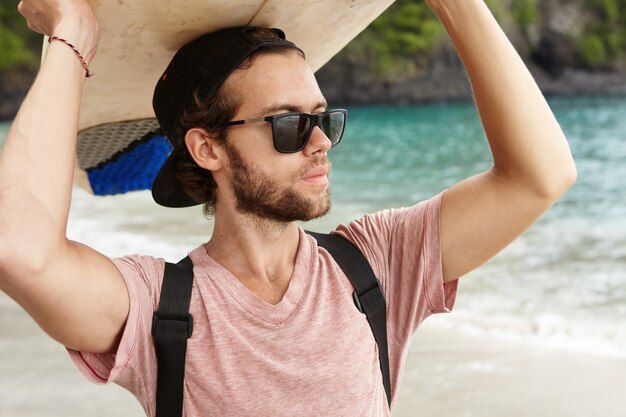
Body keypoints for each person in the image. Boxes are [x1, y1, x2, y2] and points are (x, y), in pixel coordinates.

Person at [0, 0, 576, 416]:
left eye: (322, 118)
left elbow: (540, 176)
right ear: (207, 148)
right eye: (288, 124)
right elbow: (19, 252)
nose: (320, 141)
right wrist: (71, 37)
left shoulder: (374, 265)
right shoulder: (157, 307)